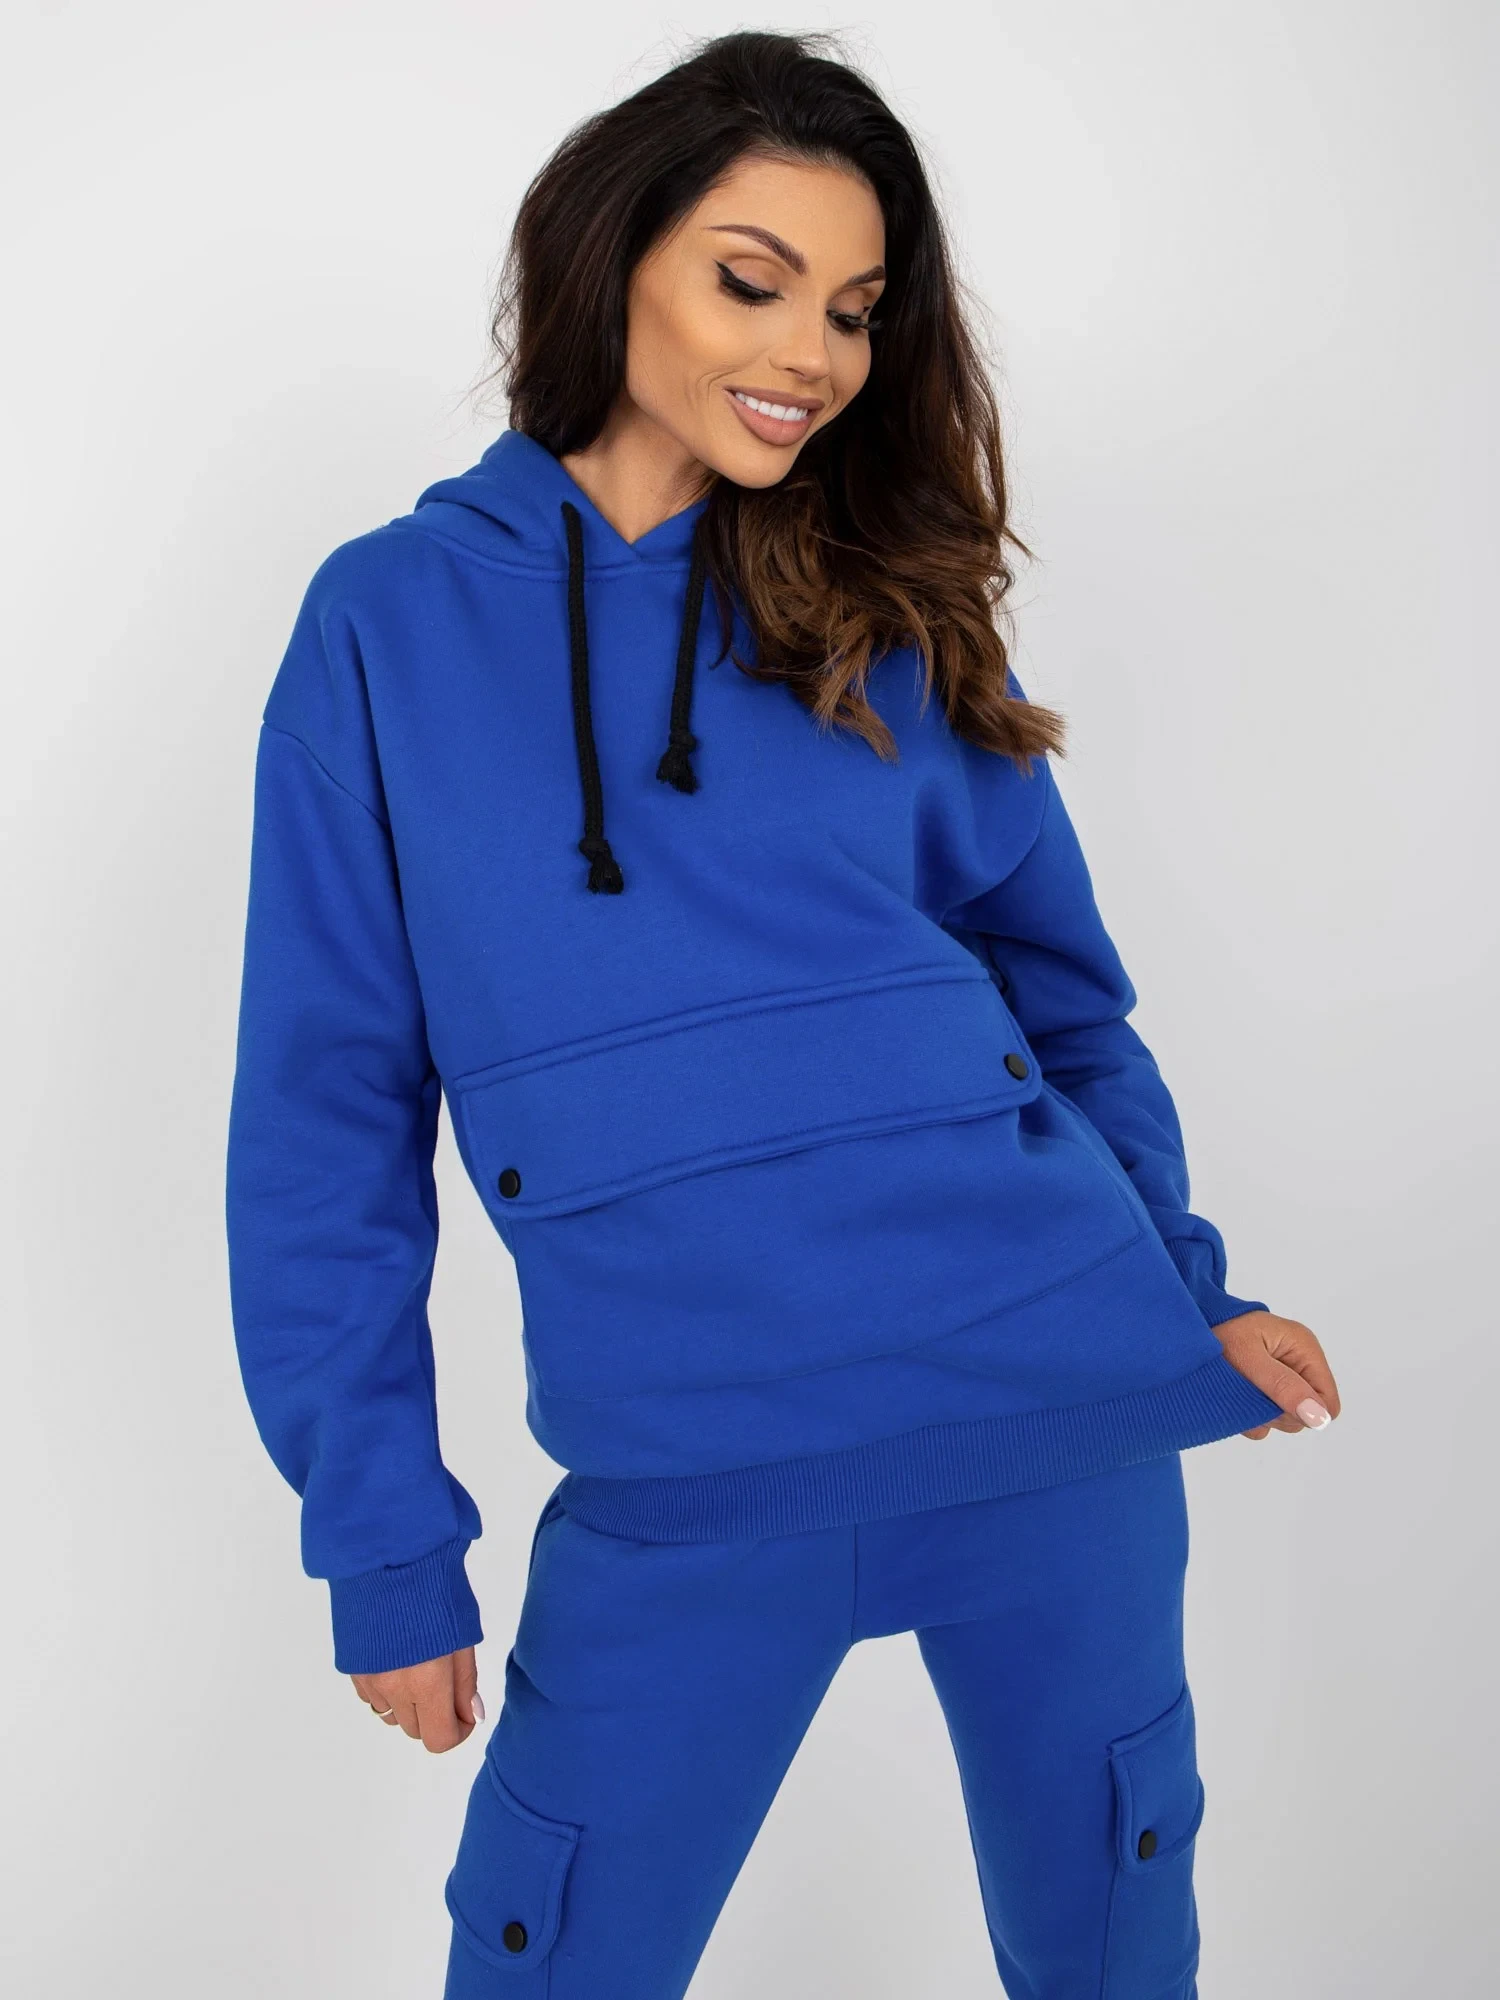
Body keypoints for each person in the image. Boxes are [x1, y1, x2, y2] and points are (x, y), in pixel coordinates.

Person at [224, 29, 1341, 1999]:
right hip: (683, 1476)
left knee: (1117, 1956)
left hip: (1056, 1416)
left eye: (853, 309)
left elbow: (1066, 1006)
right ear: (613, 260)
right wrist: (381, 1537)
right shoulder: (388, 623)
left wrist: (1185, 1286)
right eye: (755, 281)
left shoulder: (888, 608)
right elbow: (325, 1116)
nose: (812, 354)